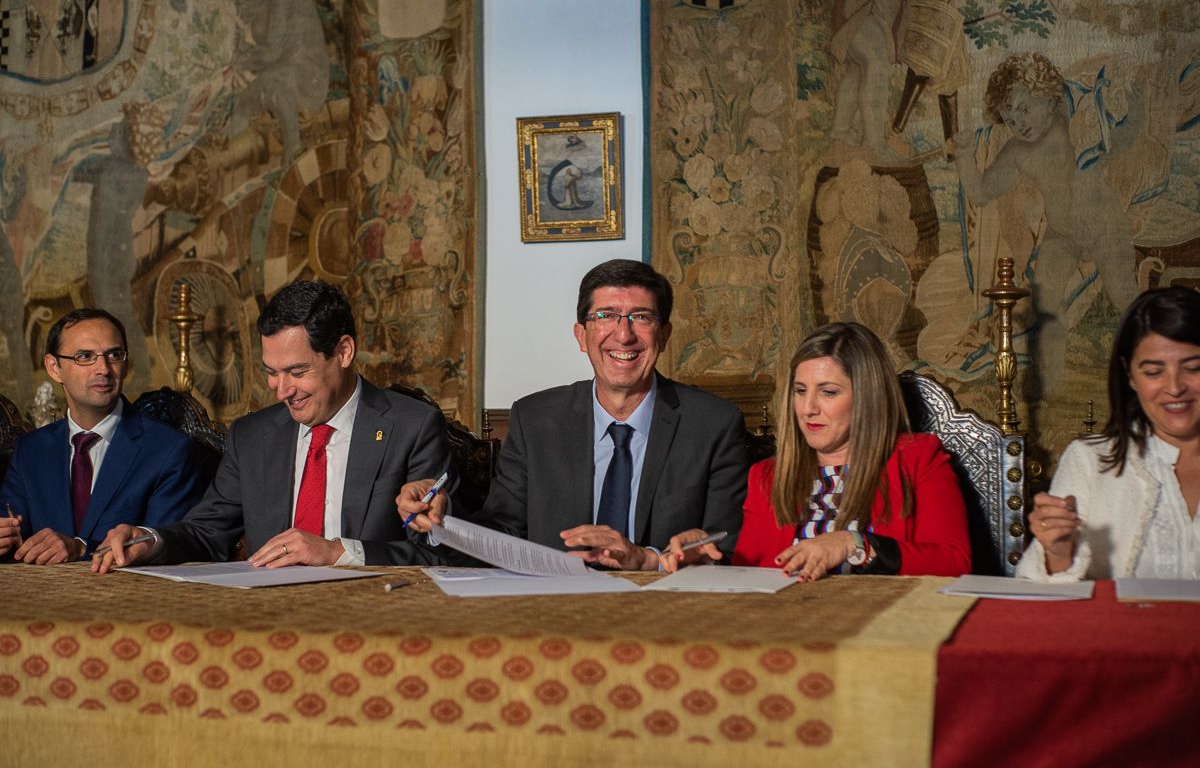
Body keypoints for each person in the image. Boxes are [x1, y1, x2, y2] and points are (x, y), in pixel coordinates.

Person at [397, 259, 748, 571]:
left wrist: (651, 558)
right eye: (605, 316)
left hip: (666, 608)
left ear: (665, 335)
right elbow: (500, 535)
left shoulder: (713, 425)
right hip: (555, 608)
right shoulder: (535, 420)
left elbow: (723, 546)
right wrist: (441, 517)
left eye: (641, 317)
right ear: (581, 335)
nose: (623, 335)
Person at [91, 280, 451, 572]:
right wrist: (149, 541)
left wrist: (338, 552)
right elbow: (205, 532)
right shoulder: (252, 436)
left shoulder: (413, 427)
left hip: (371, 615)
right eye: (271, 372)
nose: (281, 391)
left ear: (343, 352)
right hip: (266, 618)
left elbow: (438, 555)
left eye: (297, 371)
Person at [674, 322, 970, 581]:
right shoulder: (766, 475)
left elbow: (955, 563)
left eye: (828, 392)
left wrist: (854, 544)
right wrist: (708, 560)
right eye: (800, 391)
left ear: (867, 397)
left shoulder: (919, 459)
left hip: (881, 621)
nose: (808, 408)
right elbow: (751, 572)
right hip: (789, 621)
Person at [954, 52, 1143, 388]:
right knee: (1046, 302)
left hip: (1105, 226)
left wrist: (1137, 110)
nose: (1020, 124)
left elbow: (1120, 142)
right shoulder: (1018, 151)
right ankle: (1050, 385)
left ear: (1045, 94)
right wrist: (965, 156)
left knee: (1123, 293)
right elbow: (981, 193)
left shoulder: (1076, 116)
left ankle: (1146, 371)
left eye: (1024, 109)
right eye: (1010, 120)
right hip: (1062, 235)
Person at [1017, 286, 1200, 581]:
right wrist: (1058, 552)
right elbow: (1039, 593)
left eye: (1194, 368)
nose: (1175, 387)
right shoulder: (1089, 461)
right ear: (1130, 375)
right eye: (1153, 372)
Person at [0, 309, 203, 564]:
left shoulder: (168, 451)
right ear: (54, 368)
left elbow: (168, 548)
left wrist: (81, 548)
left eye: (114, 355)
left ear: (126, 364)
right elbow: (14, 541)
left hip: (127, 588)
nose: (104, 369)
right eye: (85, 356)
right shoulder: (31, 449)